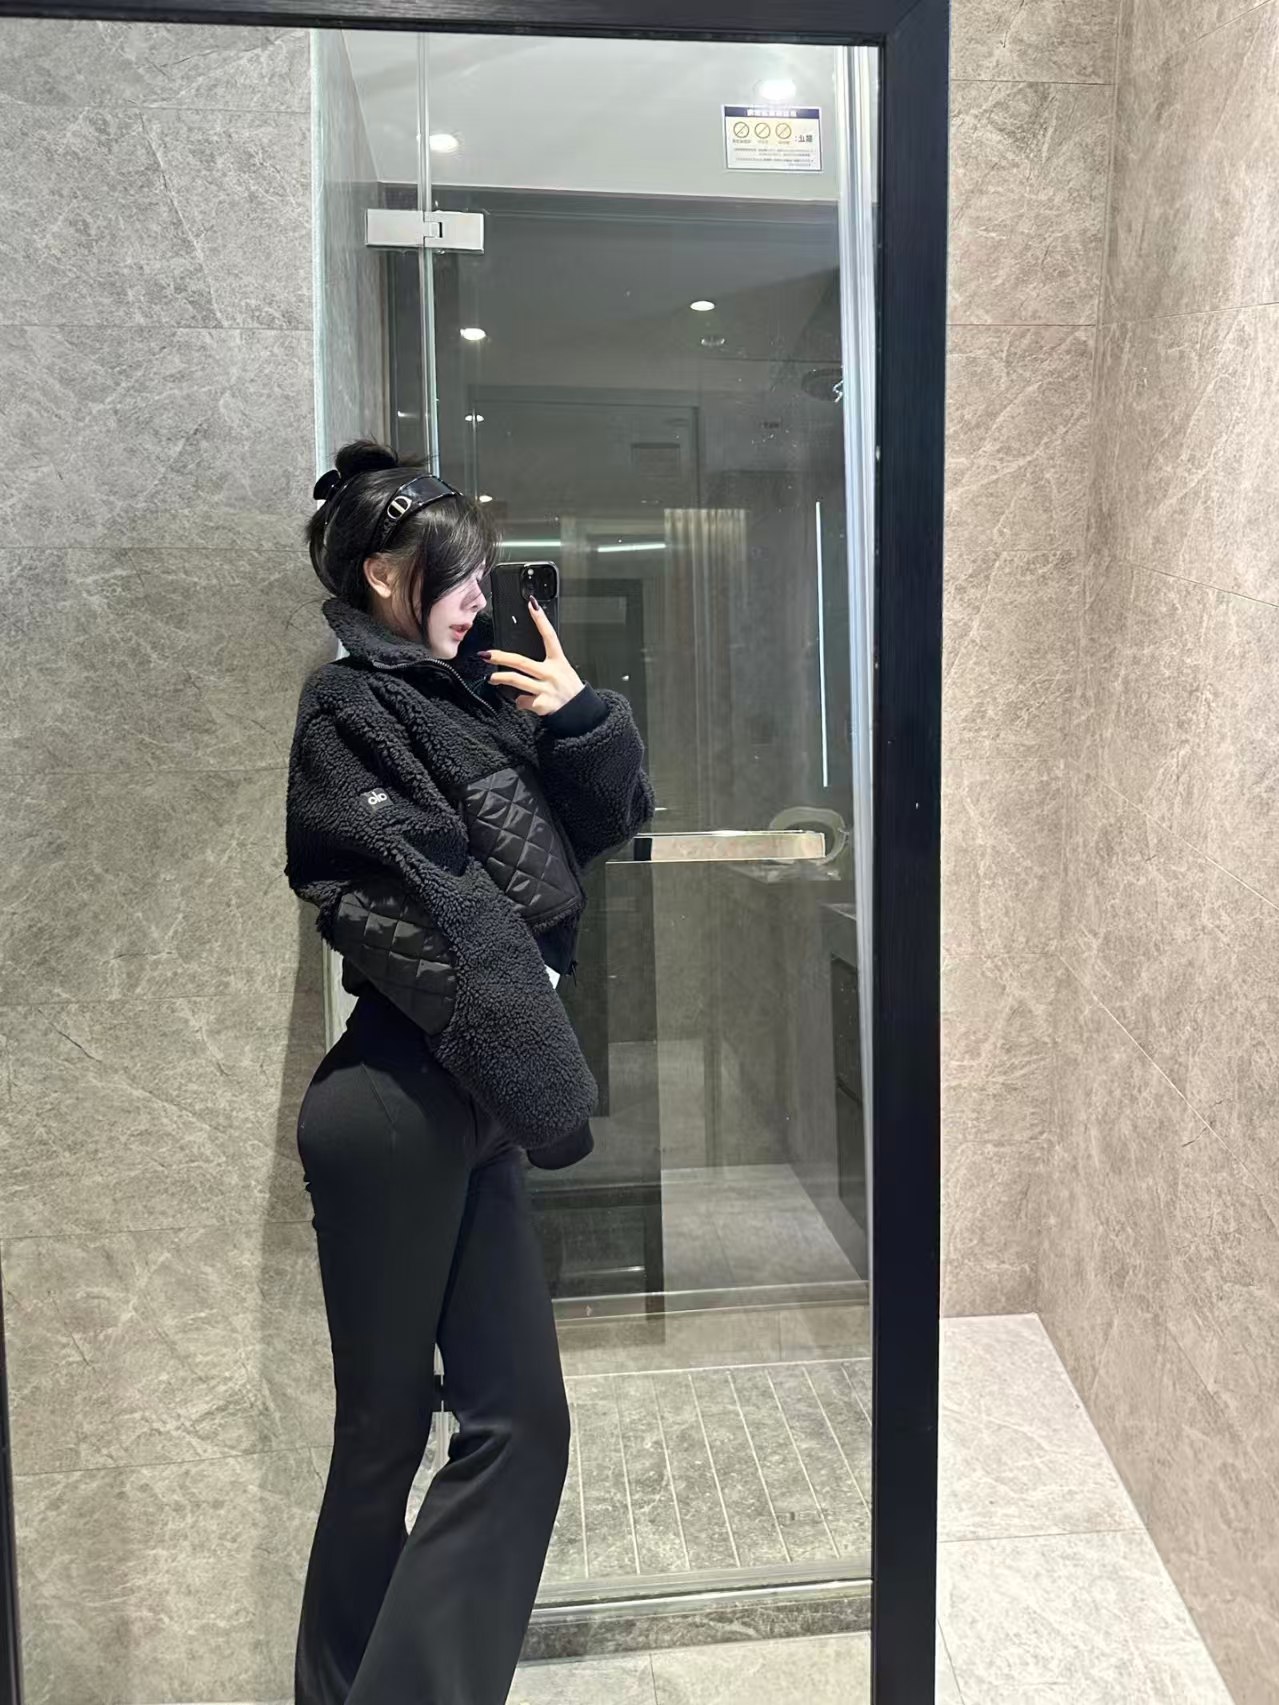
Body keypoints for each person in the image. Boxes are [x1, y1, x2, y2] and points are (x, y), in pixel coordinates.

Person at [282, 440, 654, 1705]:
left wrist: (579, 718)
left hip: (473, 1099)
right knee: (381, 1442)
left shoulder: (469, 699)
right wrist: (534, 1040)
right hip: (397, 1103)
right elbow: (416, 906)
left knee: (520, 1425)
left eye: (485, 575)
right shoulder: (348, 710)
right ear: (386, 574)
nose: (479, 598)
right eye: (459, 575)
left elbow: (601, 829)